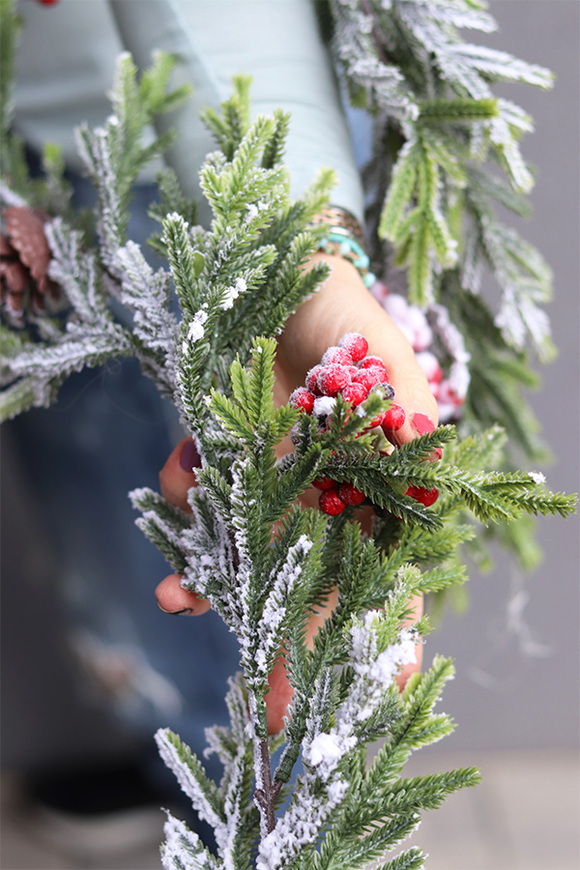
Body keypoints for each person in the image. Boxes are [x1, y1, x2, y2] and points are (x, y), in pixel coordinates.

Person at [8, 0, 436, 783]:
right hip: (27, 179)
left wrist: (310, 265)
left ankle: (261, 798)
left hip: (177, 157)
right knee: (110, 531)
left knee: (231, 562)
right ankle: (170, 740)